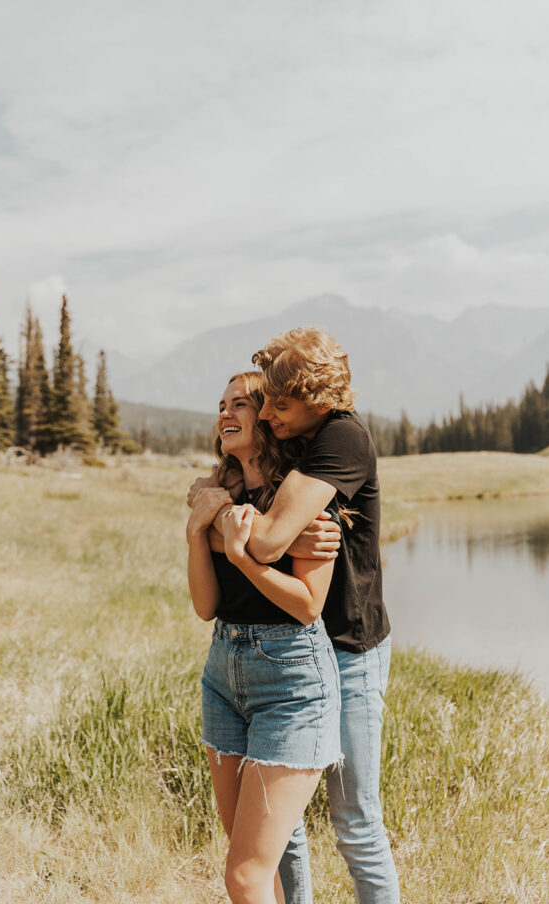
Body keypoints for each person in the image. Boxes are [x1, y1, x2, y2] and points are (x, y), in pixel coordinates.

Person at [195, 329, 400, 904]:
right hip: (289, 644)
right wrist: (215, 504)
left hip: (345, 645)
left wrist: (215, 518)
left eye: (275, 404)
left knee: (355, 819)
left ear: (319, 398)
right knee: (280, 834)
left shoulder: (341, 438)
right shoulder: (293, 440)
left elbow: (267, 541)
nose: (265, 413)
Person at [186, 370, 343, 904]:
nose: (226, 414)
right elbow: (207, 607)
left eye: (240, 404)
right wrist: (195, 533)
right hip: (223, 675)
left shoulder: (296, 497)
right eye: (221, 404)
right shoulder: (218, 493)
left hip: (292, 679)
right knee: (253, 864)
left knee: (244, 876)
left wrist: (239, 556)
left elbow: (307, 605)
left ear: (269, 415)